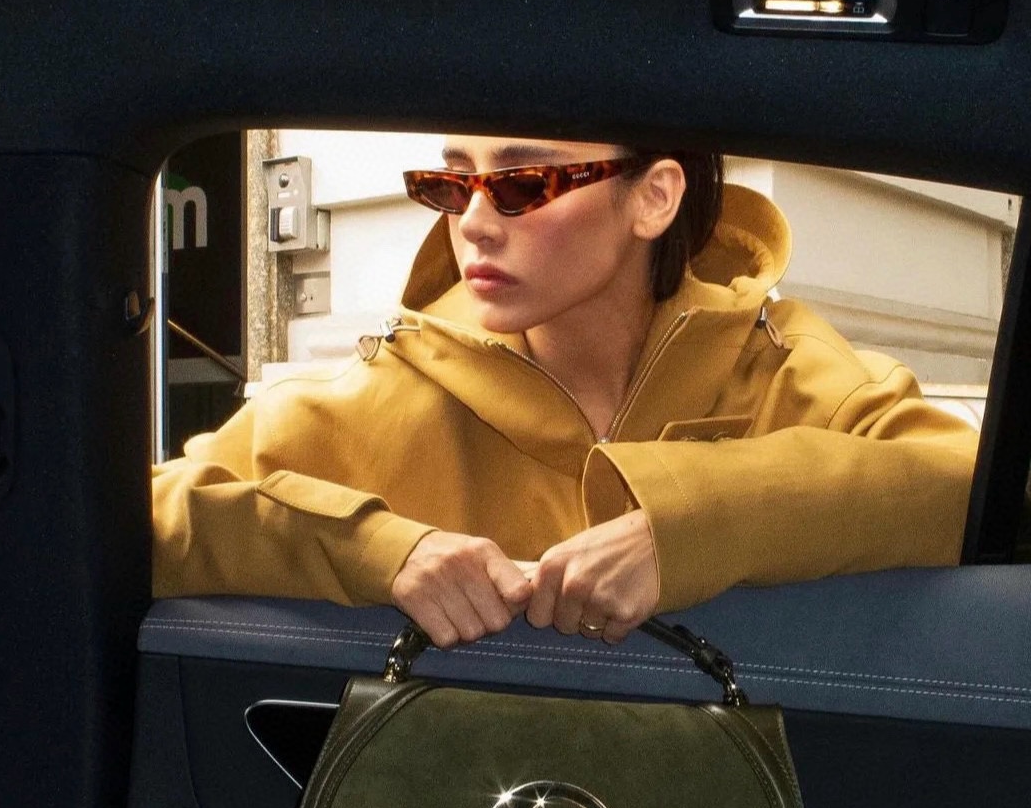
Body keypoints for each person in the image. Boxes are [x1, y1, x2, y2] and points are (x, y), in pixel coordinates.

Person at [152, 136, 980, 646]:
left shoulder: (779, 363)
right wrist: (378, 551)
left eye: (522, 183)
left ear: (654, 196)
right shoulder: (385, 393)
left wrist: (679, 529)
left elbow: (966, 488)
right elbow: (146, 517)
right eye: (451, 183)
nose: (474, 222)